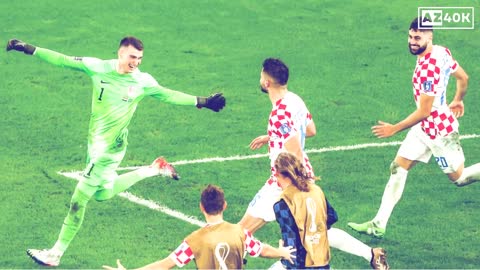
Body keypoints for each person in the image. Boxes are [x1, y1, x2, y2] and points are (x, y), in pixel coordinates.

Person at [6, 36, 226, 267]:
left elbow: (167, 94)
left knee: (78, 200)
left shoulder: (142, 81)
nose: (136, 63)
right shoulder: (98, 67)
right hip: (95, 143)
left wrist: (202, 101)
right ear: (120, 53)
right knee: (102, 193)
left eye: (140, 58)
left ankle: (55, 253)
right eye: (132, 57)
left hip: (111, 148)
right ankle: (153, 169)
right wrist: (29, 49)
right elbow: (63, 60)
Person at [238, 58, 388, 269]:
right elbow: (310, 130)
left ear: (267, 82)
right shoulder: (295, 100)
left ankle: (231, 261)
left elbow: (294, 150)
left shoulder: (279, 113)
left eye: (262, 75)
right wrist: (273, 136)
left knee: (240, 231)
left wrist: (295, 184)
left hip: (284, 181)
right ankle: (372, 254)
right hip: (303, 175)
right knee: (318, 231)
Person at [348, 17, 479, 238]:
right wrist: (458, 99)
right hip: (424, 129)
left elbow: (424, 111)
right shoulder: (441, 52)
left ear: (430, 37)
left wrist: (394, 129)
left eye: (417, 37)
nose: (412, 42)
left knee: (459, 179)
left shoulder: (428, 68)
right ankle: (378, 223)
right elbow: (463, 77)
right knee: (398, 167)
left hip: (439, 131)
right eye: (410, 36)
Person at [102, 184, 296, 270]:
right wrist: (282, 252)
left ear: (201, 207)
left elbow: (164, 265)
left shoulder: (194, 241)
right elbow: (262, 250)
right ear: (224, 205)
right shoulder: (241, 233)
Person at [273, 152, 331, 269]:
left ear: (277, 174)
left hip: (302, 263)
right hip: (322, 260)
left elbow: (291, 244)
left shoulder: (283, 203)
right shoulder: (316, 190)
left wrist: (281, 251)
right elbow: (332, 216)